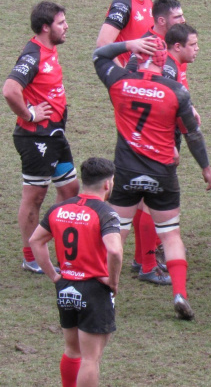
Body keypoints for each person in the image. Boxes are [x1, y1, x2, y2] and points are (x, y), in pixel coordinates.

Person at [92, 37, 211, 320]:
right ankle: (180, 294)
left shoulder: (120, 81)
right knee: (171, 235)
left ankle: (105, 294)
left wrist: (127, 45)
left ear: (138, 58)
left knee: (115, 235)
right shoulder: (176, 91)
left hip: (126, 173)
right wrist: (205, 167)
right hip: (162, 174)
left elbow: (99, 56)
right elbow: (192, 134)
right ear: (165, 62)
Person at [29, 157, 124, 387]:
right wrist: (112, 282)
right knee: (91, 358)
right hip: (93, 289)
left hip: (66, 286)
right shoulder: (105, 213)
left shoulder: (59, 208)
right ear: (107, 185)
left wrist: (54, 275)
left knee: (72, 351)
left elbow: (35, 241)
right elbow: (114, 250)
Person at [3, 1, 79, 274]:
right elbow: (10, 90)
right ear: (46, 27)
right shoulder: (32, 56)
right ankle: (31, 255)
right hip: (36, 138)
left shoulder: (49, 50)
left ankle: (51, 242)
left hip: (55, 136)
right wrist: (30, 114)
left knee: (70, 191)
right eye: (61, 23)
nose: (66, 26)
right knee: (34, 197)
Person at [122, 0, 188, 285]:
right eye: (178, 17)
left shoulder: (168, 47)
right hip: (155, 135)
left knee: (141, 200)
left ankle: (142, 258)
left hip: (152, 132)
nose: (182, 22)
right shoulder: (152, 50)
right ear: (161, 21)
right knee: (148, 200)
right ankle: (148, 263)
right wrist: (170, 139)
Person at [96, 0, 159, 66]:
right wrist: (121, 75)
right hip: (128, 77)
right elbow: (103, 43)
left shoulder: (148, 1)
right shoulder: (123, 4)